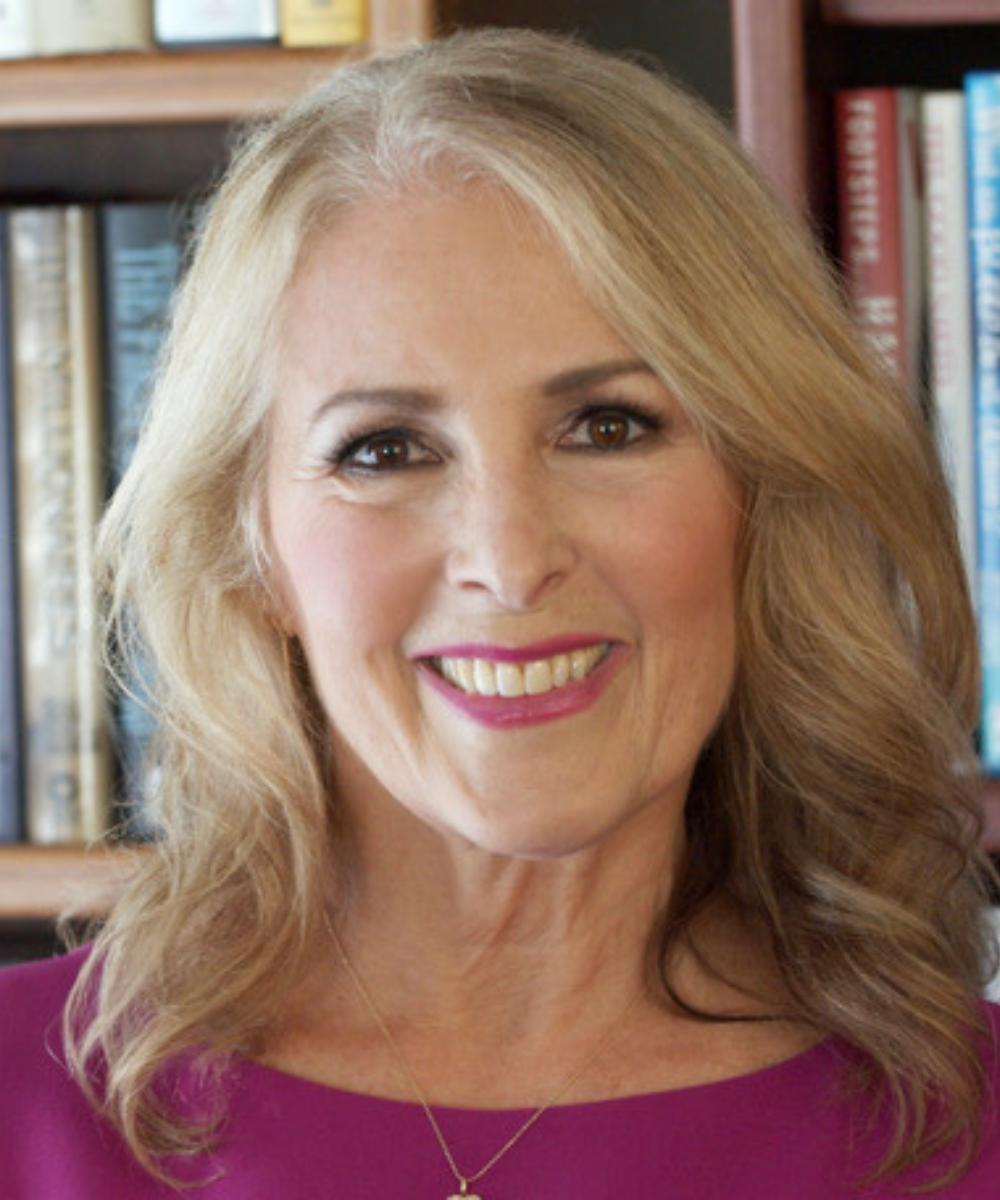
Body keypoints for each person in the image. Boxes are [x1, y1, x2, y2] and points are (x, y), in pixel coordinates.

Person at [1, 26, 998, 1198]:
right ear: (248, 554)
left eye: (608, 427)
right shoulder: (25, 1107)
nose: (510, 561)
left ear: (762, 499)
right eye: (385, 449)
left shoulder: (970, 1128)